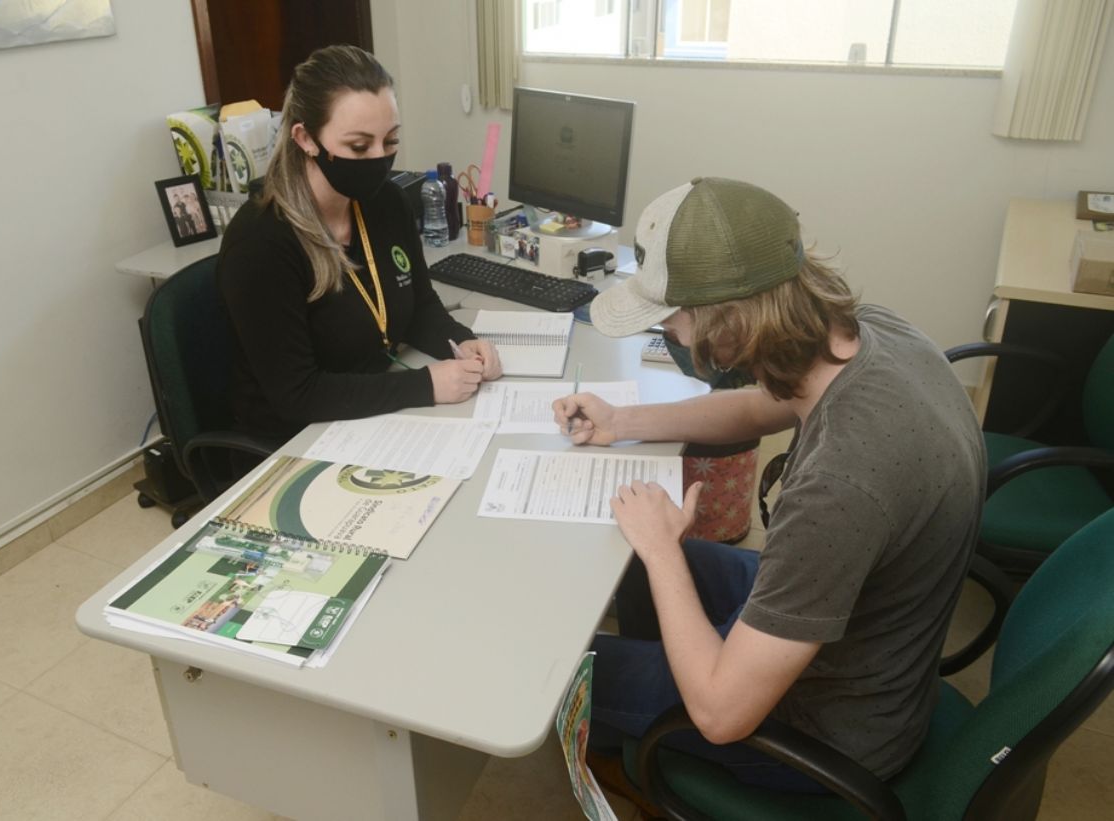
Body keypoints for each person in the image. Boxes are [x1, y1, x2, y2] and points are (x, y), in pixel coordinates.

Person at [552, 177, 985, 795]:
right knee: (625, 565)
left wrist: (664, 550)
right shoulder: (874, 334)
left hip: (828, 732)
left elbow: (722, 715)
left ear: (727, 321)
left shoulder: (841, 485)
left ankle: (657, 747)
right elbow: (762, 407)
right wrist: (622, 422)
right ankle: (651, 739)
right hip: (865, 638)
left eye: (670, 318)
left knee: (558, 668)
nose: (669, 334)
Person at [217, 45, 501, 445]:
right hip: (297, 438)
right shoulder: (260, 243)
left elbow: (419, 306)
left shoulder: (387, 203)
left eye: (390, 141)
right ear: (305, 138)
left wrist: (460, 342)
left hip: (371, 409)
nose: (379, 160)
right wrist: (424, 386)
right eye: (358, 146)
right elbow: (297, 395)